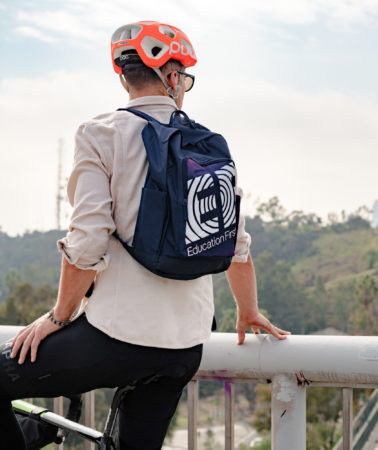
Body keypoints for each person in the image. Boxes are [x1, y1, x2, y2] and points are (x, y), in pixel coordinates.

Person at [0, 20, 289, 449]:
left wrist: (58, 317)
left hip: (115, 338)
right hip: (185, 349)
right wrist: (247, 311)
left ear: (122, 75)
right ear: (172, 78)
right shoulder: (207, 145)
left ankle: (32, 436)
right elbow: (237, 246)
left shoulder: (101, 134)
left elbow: (87, 243)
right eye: (184, 78)